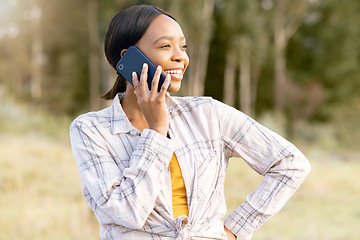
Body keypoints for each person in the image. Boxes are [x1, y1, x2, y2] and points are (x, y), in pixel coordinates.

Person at [70, 4, 311, 240]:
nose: (180, 57)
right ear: (129, 58)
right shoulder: (90, 130)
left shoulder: (207, 113)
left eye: (183, 47)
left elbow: (290, 163)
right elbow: (127, 213)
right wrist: (157, 132)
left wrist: (235, 230)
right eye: (165, 46)